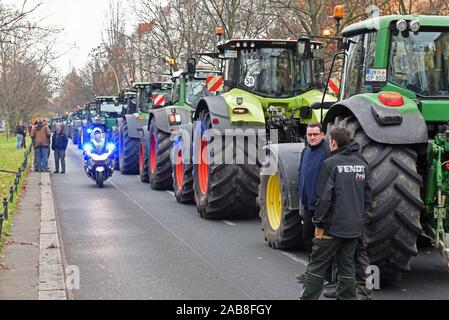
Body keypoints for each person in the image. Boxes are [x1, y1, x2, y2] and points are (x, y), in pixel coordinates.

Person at [299, 127, 371, 300]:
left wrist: (319, 223)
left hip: (332, 227)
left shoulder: (330, 164)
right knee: (346, 265)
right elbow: (367, 197)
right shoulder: (362, 165)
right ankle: (346, 297)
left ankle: (307, 297)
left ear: (332, 142)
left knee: (317, 265)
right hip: (353, 227)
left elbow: (323, 198)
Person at [296, 123, 330, 283]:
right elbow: (301, 173)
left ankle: (325, 276)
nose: (312, 137)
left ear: (322, 135)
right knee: (307, 239)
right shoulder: (305, 151)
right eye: (309, 135)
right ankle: (312, 272)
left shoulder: (327, 153)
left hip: (321, 206)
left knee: (322, 243)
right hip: (308, 204)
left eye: (315, 134)